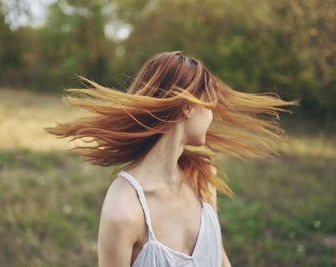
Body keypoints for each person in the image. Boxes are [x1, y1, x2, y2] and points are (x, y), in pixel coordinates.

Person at [45, 51, 298, 266]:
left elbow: (220, 259)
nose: (212, 117)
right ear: (187, 106)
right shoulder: (124, 210)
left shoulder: (203, 182)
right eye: (209, 107)